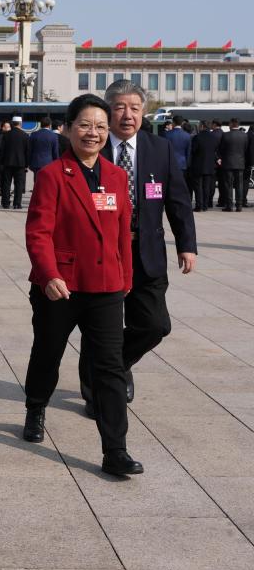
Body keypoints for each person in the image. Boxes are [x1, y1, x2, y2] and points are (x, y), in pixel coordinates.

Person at [21, 93, 141, 477]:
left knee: (109, 368)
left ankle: (115, 450)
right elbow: (38, 232)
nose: (93, 133)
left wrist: (126, 278)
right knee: (48, 353)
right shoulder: (52, 175)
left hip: (106, 287)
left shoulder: (117, 176)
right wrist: (49, 274)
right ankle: (36, 406)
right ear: (68, 128)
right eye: (85, 125)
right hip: (62, 286)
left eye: (101, 127)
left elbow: (123, 232)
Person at [77, 80, 196, 411]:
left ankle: (116, 366)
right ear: (108, 111)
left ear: (143, 112)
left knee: (155, 325)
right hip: (102, 254)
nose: (127, 115)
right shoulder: (90, 147)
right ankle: (96, 392)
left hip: (146, 253)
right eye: (119, 108)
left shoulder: (159, 148)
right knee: (100, 328)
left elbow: (178, 200)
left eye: (134, 108)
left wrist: (186, 244)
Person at [217, 118, 247, 212]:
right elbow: (245, 149)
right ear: (238, 125)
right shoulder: (244, 135)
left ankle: (229, 206)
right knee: (239, 185)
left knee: (228, 185)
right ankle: (239, 206)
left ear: (231, 124)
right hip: (240, 163)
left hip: (228, 163)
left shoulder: (225, 135)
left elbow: (221, 149)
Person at [0, 116, 29, 209]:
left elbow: (2, 150)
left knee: (6, 183)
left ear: (12, 123)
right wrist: (26, 164)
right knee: (19, 184)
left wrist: (2, 162)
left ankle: (5, 203)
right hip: (20, 164)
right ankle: (17, 204)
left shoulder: (6, 135)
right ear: (20, 123)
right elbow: (27, 151)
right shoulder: (25, 135)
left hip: (7, 163)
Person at [190, 121, 219, 211]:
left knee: (198, 187)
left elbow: (193, 150)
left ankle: (199, 205)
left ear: (202, 126)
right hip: (210, 165)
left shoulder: (197, 137)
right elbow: (215, 150)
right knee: (207, 186)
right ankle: (205, 205)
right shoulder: (214, 138)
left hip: (198, 165)